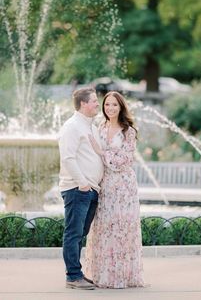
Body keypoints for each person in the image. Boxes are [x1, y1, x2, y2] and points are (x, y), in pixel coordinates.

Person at [85, 91, 144, 288]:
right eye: (107, 104)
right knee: (104, 228)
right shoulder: (99, 128)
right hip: (105, 184)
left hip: (124, 186)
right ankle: (103, 275)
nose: (110, 108)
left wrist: (102, 152)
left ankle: (122, 276)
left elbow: (124, 161)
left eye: (114, 105)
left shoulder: (129, 131)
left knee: (122, 228)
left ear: (121, 107)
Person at [58, 87, 104, 290]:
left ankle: (77, 274)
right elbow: (67, 157)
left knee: (80, 233)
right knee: (73, 233)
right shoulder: (72, 126)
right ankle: (73, 276)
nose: (97, 104)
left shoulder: (91, 126)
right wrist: (82, 183)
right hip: (78, 189)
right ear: (84, 104)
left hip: (91, 189)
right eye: (94, 101)